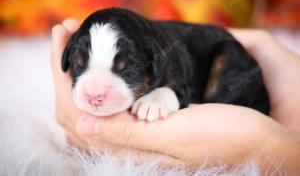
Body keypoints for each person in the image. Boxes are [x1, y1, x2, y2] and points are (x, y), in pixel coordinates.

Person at [51, 18, 300, 174]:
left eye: (125, 69)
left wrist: (266, 148)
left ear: (154, 63)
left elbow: (179, 89)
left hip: (223, 67)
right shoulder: (149, 46)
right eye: (80, 65)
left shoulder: (165, 59)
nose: (94, 92)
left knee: (225, 68)